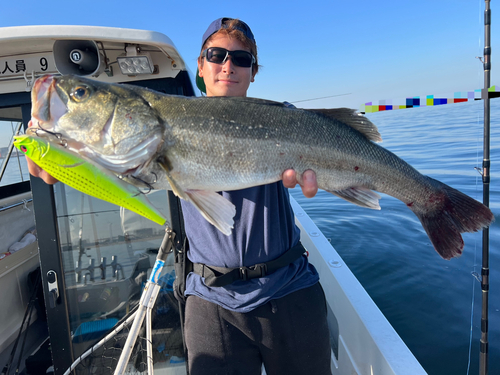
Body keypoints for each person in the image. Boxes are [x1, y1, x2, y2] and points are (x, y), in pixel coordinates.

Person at [27, 17, 331, 375]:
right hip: (211, 299)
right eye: (216, 55)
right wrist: (46, 151)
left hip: (289, 288)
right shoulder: (159, 129)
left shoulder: (283, 119)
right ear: (201, 65)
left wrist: (322, 177)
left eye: (242, 59)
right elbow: (72, 165)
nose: (228, 66)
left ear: (254, 72)